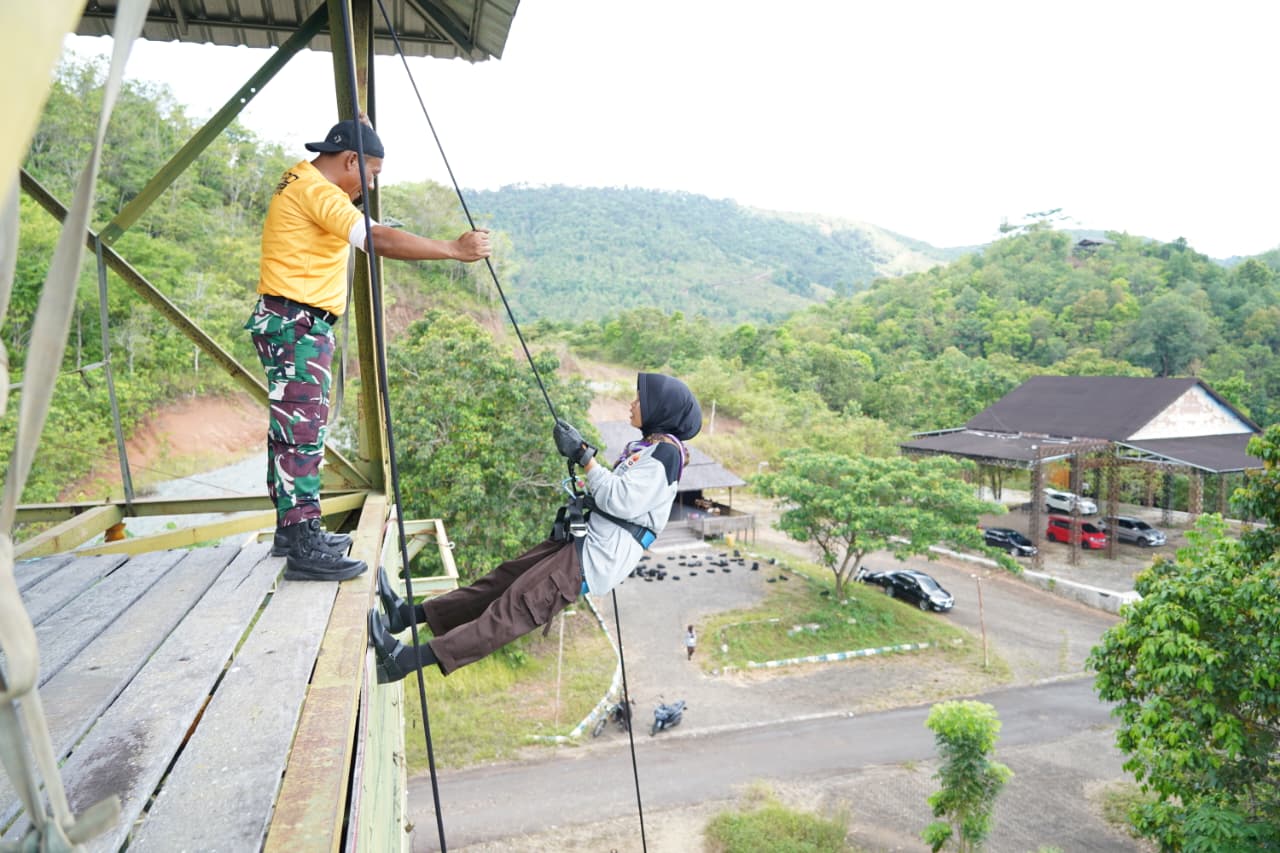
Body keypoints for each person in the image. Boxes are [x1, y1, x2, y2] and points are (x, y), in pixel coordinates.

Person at [244, 116, 491, 582]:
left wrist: (360, 129)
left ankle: (291, 530)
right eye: (371, 172)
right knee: (302, 434)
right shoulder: (319, 193)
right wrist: (453, 250)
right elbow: (374, 237)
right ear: (350, 160)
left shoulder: (303, 179)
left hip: (288, 320)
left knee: (291, 431)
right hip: (297, 325)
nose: (372, 182)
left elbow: (368, 222)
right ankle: (304, 544)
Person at [368, 372, 702, 679]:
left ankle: (405, 661)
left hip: (593, 558)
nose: (633, 404)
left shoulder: (664, 456)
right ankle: (407, 616)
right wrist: (584, 460)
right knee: (500, 582)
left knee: (510, 611)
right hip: (583, 541)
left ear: (660, 409)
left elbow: (622, 500)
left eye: (640, 399)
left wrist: (585, 457)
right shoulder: (649, 451)